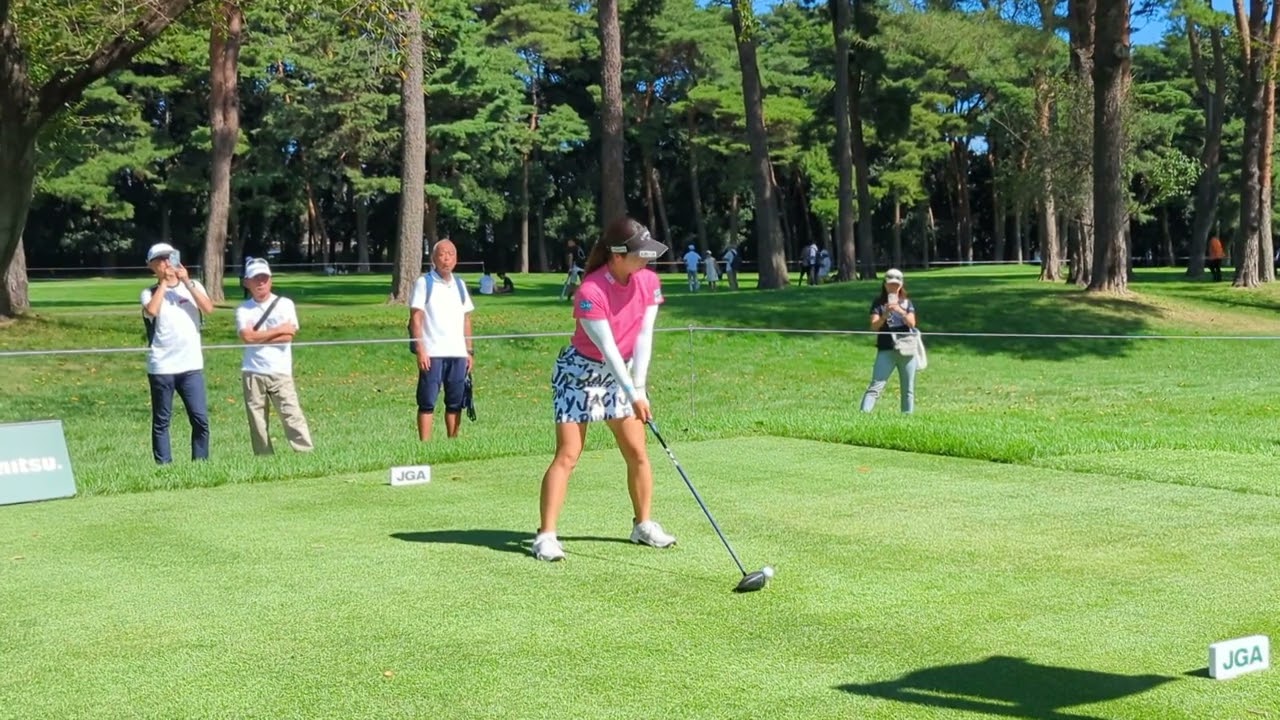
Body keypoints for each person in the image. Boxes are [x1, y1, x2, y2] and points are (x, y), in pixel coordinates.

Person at [533, 217, 677, 562]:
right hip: (579, 373)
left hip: (621, 374)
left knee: (637, 451)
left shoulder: (648, 282)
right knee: (568, 454)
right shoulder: (590, 291)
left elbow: (643, 338)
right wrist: (633, 394)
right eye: (639, 254)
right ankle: (546, 535)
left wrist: (639, 388)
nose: (646, 261)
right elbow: (608, 349)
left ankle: (642, 526)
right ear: (616, 254)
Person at [141, 242, 215, 464]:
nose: (165, 263)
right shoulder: (149, 292)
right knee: (162, 420)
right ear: (151, 266)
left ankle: (200, 465)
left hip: (191, 365)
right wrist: (164, 283)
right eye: (160, 260)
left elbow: (208, 308)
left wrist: (185, 281)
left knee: (200, 418)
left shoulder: (193, 285)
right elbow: (152, 310)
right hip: (162, 366)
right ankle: (164, 466)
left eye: (169, 258)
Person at [235, 258, 314, 456]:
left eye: (264, 277)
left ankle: (305, 454)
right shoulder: (243, 309)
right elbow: (247, 337)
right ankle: (264, 459)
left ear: (270, 280)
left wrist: (258, 336)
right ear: (247, 282)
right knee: (257, 421)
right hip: (253, 372)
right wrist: (277, 330)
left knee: (291, 414)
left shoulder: (285, 304)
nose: (260, 282)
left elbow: (288, 337)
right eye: (256, 278)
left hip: (280, 371)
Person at [409, 239, 475, 441]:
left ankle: (452, 441)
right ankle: (425, 445)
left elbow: (466, 319)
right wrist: (421, 349)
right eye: (442, 254)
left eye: (451, 254)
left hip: (457, 353)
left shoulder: (460, 285)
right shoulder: (424, 283)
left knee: (456, 401)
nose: (446, 259)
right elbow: (416, 318)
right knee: (427, 401)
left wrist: (469, 351)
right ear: (434, 258)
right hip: (433, 353)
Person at [859, 268, 918, 414]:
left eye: (896, 284)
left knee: (908, 389)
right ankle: (862, 417)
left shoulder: (906, 303)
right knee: (875, 386)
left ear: (901, 285)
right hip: (886, 350)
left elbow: (912, 324)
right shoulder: (878, 303)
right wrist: (884, 315)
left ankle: (907, 420)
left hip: (907, 351)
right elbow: (874, 326)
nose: (893, 287)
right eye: (890, 284)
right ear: (885, 284)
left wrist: (900, 311)